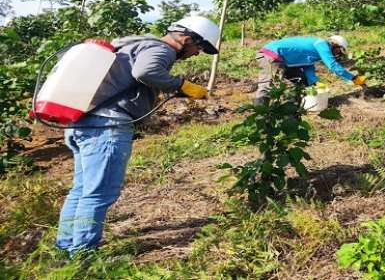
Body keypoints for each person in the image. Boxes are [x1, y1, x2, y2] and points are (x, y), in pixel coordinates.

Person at [55, 16, 220, 255]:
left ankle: (65, 247)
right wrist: (181, 84)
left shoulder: (134, 45)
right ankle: (81, 255)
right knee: (98, 193)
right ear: (187, 38)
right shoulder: (161, 49)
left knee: (81, 190)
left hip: (84, 122)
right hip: (108, 126)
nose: (197, 54)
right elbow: (146, 71)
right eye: (200, 47)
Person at [253, 35, 366, 105]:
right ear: (334, 45)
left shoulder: (316, 49)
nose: (337, 54)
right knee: (267, 85)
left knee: (299, 81)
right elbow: (333, 65)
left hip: (283, 60)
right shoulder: (322, 44)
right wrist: (353, 78)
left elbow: (308, 66)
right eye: (338, 51)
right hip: (272, 55)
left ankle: (291, 108)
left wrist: (314, 82)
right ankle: (261, 115)